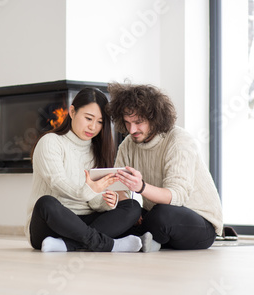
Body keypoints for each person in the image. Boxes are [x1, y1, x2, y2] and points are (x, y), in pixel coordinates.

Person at [107, 82, 223, 251]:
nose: (132, 130)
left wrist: (141, 187)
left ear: (154, 117)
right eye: (127, 123)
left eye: (139, 122)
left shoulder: (179, 140)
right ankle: (148, 240)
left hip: (199, 222)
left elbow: (177, 196)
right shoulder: (128, 144)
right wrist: (129, 208)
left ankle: (142, 239)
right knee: (120, 214)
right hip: (155, 214)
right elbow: (118, 186)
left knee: (161, 215)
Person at [26, 87, 144, 253]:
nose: (93, 127)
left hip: (84, 224)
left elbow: (93, 201)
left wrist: (106, 202)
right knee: (46, 203)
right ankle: (110, 245)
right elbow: (58, 184)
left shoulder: (97, 150)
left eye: (100, 122)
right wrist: (90, 189)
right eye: (88, 118)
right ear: (72, 112)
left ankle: (68, 245)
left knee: (131, 206)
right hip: (51, 224)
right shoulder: (50, 142)